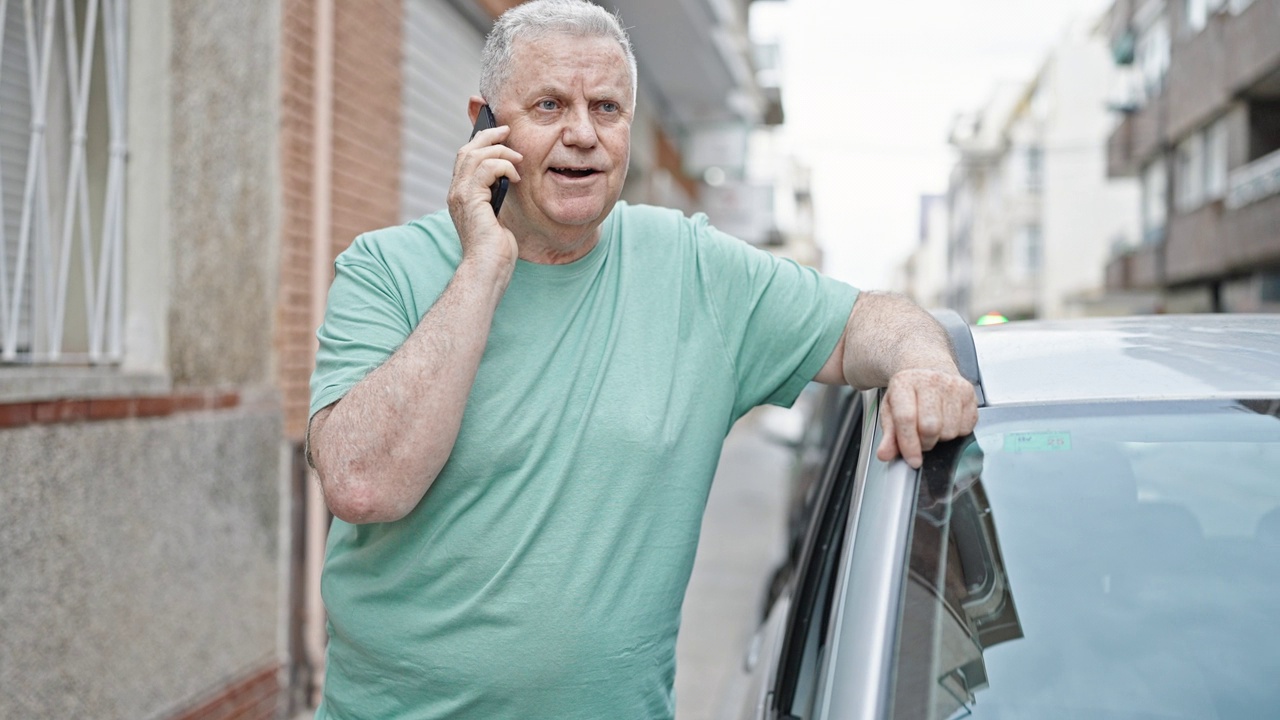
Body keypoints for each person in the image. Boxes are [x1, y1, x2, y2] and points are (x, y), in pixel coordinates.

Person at [306, 0, 977, 717]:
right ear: (483, 122)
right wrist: (482, 267)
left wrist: (922, 361)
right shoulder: (386, 269)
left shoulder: (692, 269)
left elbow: (865, 319)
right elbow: (363, 485)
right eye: (548, 105)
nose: (583, 135)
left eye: (607, 107)